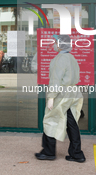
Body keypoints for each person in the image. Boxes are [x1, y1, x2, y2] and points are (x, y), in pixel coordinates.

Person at [35, 34, 85, 163]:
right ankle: (77, 153)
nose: (54, 44)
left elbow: (55, 80)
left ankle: (48, 152)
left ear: (60, 44)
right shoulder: (71, 58)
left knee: (50, 119)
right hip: (73, 93)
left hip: (62, 94)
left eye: (56, 42)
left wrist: (51, 97)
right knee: (72, 123)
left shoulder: (59, 59)